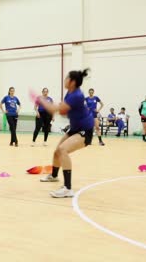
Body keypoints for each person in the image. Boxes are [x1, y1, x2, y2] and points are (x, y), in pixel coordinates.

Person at [39, 69, 94, 198]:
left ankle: (68, 189)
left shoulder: (77, 96)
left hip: (84, 130)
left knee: (63, 150)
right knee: (57, 151)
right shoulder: (69, 93)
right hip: (75, 128)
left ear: (72, 82)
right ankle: (53, 176)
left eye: (66, 78)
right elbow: (64, 110)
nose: (64, 80)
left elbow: (54, 108)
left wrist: (41, 100)